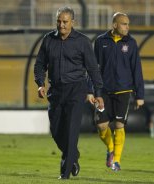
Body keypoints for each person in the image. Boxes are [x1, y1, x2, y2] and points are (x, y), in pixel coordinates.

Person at [34, 7, 104, 179]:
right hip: (55, 91)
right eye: (59, 21)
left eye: (65, 21)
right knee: (56, 131)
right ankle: (73, 156)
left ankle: (64, 174)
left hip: (76, 89)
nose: (61, 25)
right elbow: (39, 64)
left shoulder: (82, 42)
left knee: (72, 131)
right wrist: (39, 83)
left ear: (73, 22)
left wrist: (98, 92)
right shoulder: (48, 39)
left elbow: (93, 69)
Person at [87, 12, 144, 171]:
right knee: (101, 125)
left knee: (119, 125)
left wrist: (140, 95)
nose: (127, 27)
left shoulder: (131, 43)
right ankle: (111, 149)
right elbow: (93, 67)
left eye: (128, 24)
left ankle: (116, 161)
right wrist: (90, 90)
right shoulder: (100, 41)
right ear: (114, 25)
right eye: (124, 24)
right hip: (103, 91)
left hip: (124, 91)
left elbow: (136, 69)